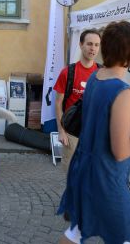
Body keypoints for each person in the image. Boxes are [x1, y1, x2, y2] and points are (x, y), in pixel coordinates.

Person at [57, 21, 130, 244]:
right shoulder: (122, 91)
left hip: (84, 170)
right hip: (107, 178)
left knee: (76, 231)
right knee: (123, 237)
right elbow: (120, 152)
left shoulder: (95, 78)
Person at [54, 29, 101, 172]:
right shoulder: (68, 72)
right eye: (89, 44)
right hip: (72, 132)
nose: (93, 48)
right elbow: (58, 103)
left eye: (96, 45)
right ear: (81, 45)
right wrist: (61, 131)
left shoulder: (102, 73)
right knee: (70, 174)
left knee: (90, 174)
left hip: (93, 133)